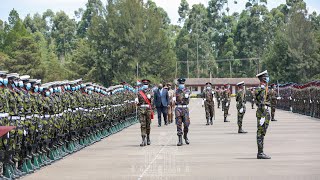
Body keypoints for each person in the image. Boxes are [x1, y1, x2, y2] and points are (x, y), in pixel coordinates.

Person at [255, 70, 271, 159]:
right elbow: (261, 103)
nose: (268, 79)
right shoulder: (262, 89)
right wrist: (263, 116)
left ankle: (261, 152)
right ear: (264, 79)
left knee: (261, 133)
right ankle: (260, 153)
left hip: (263, 112)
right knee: (260, 133)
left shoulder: (263, 88)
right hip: (262, 113)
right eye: (267, 77)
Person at [135, 79, 154, 146]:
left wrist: (150, 98)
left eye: (146, 84)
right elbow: (137, 101)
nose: (145, 85)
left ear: (148, 85)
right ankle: (143, 139)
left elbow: (152, 101)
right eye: (144, 84)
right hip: (141, 109)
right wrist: (136, 100)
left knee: (148, 125)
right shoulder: (139, 92)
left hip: (148, 109)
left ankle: (148, 137)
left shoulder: (151, 91)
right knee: (142, 125)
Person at [174, 78, 190, 146]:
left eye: (182, 83)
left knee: (186, 124)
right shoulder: (176, 91)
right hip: (178, 108)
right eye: (180, 84)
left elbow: (188, 95)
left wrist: (187, 95)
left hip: (185, 108)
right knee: (179, 124)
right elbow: (174, 99)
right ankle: (180, 139)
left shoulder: (187, 90)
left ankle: (185, 136)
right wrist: (173, 99)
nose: (181, 85)